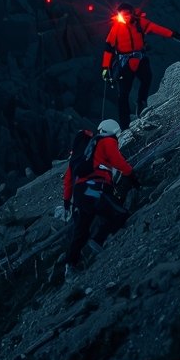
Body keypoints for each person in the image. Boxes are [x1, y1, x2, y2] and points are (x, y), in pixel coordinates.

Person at [63, 119, 138, 278]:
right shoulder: (107, 141)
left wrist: (66, 201)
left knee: (81, 230)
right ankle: (98, 241)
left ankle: (70, 267)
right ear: (114, 133)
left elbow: (69, 177)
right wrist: (131, 176)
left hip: (80, 193)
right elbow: (118, 161)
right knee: (119, 213)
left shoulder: (83, 152)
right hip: (95, 189)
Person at [101, 3, 180, 130]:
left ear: (131, 13)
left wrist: (172, 34)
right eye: (122, 14)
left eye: (127, 14)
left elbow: (155, 28)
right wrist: (106, 67)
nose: (125, 17)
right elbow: (108, 48)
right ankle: (124, 125)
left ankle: (141, 103)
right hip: (124, 63)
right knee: (123, 95)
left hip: (139, 59)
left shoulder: (139, 23)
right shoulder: (116, 28)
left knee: (147, 79)